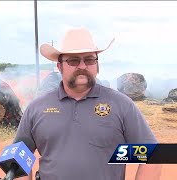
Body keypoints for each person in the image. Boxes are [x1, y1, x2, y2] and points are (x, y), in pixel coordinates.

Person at [15, 27, 162, 180]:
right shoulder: (36, 108)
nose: (82, 66)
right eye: (73, 60)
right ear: (59, 67)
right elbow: (18, 160)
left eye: (89, 59)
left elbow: (152, 155)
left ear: (97, 65)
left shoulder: (122, 105)